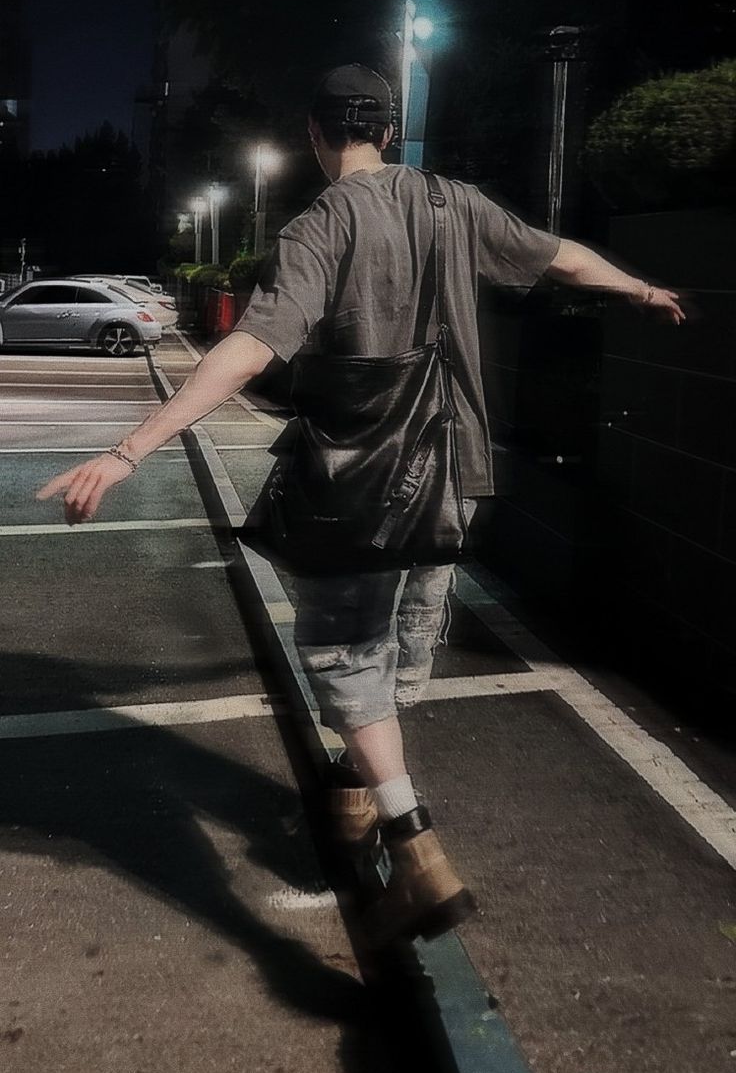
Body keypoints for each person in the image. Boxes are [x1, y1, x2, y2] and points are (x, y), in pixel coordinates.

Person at [36, 63, 684, 948]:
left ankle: (413, 838)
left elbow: (253, 346)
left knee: (343, 649)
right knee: (407, 640)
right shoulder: (458, 203)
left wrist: (127, 451)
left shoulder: (321, 225)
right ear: (389, 126)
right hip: (454, 468)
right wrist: (641, 289)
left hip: (360, 477)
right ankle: (350, 791)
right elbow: (558, 254)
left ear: (315, 134)